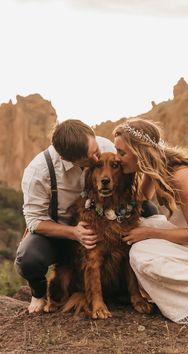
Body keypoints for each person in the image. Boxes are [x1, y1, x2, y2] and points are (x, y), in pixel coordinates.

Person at [113, 118, 188, 324]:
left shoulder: (181, 176)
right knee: (140, 226)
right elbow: (141, 199)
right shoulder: (155, 168)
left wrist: (149, 234)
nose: (117, 158)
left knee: (141, 254)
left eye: (121, 153)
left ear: (140, 152)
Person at [15, 119, 116, 313]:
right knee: (29, 258)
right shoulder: (38, 172)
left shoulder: (104, 146)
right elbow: (35, 221)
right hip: (59, 235)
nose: (97, 160)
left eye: (96, 150)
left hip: (99, 226)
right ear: (65, 158)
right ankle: (38, 293)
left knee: (148, 210)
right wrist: (73, 233)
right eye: (90, 158)